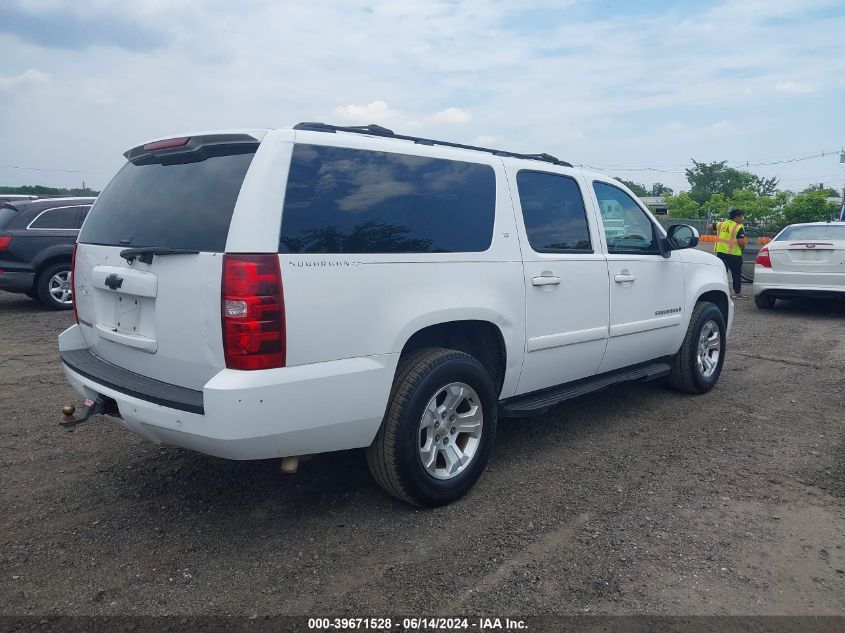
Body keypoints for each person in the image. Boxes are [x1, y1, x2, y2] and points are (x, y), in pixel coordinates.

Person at [714, 209, 747, 298]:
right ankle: (737, 294)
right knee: (736, 274)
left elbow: (709, 226)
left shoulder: (721, 224)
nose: (742, 218)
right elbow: (740, 241)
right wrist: (743, 248)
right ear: (737, 217)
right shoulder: (738, 227)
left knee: (722, 274)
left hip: (721, 254)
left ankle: (720, 294)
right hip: (734, 255)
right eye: (742, 216)